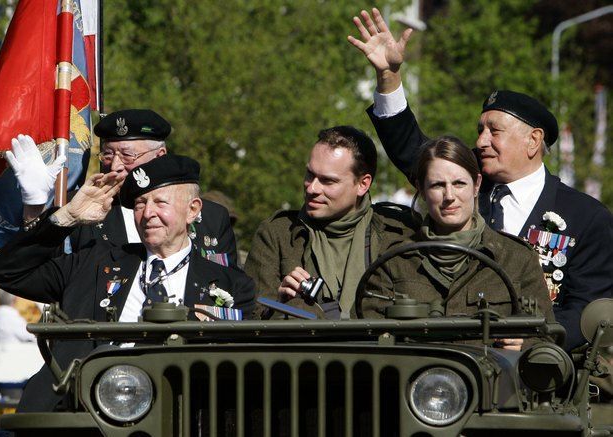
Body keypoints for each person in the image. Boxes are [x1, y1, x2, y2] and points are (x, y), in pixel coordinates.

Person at [348, 8, 613, 350]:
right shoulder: (465, 188)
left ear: (533, 140)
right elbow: (413, 151)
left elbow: (589, 309)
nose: (480, 141)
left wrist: (533, 335)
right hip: (450, 364)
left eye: (494, 131)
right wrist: (389, 77)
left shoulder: (586, 217)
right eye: (479, 130)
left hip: (534, 375)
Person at [0, 154, 256, 412]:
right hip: (85, 410)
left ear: (193, 209)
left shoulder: (231, 285)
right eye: (140, 204)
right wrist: (66, 218)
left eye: (160, 202)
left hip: (183, 412)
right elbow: (9, 272)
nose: (148, 213)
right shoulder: (95, 264)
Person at [365, 137, 554, 349]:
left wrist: (524, 344)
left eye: (459, 184)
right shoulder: (395, 260)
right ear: (422, 189)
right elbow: (369, 336)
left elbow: (547, 339)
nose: (449, 196)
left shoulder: (515, 259)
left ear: (476, 185)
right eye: (437, 185)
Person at [7, 109, 238, 267]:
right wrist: (34, 206)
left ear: (160, 156)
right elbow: (39, 269)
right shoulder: (81, 208)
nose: (115, 166)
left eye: (128, 155)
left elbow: (228, 289)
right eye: (108, 154)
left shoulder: (212, 216)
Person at [244, 126, 414, 319]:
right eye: (310, 175)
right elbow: (251, 319)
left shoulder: (396, 236)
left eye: (327, 181)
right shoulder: (277, 234)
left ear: (363, 184)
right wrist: (278, 304)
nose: (312, 188)